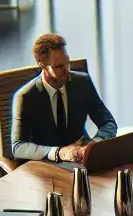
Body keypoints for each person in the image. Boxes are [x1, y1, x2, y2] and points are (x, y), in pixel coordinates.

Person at [10, 32, 118, 163]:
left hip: (80, 159)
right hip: (45, 164)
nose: (67, 71)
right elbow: (18, 146)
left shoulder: (82, 82)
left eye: (67, 63)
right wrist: (58, 153)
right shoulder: (25, 97)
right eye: (59, 67)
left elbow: (108, 123)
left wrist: (94, 144)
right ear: (42, 65)